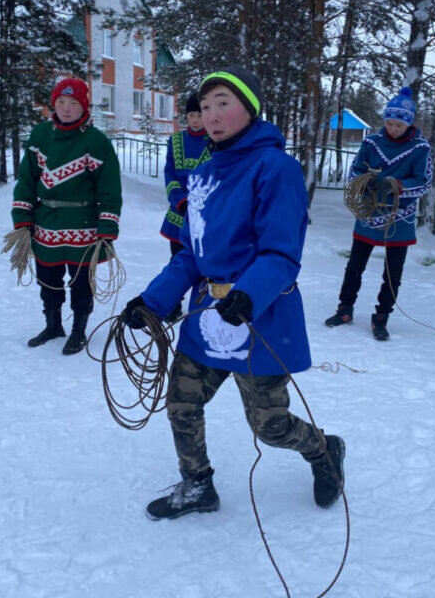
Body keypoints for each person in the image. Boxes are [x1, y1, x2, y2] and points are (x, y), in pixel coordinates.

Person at [122, 65, 345, 520]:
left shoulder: (276, 168)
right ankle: (198, 485)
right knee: (181, 404)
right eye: (206, 107)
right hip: (208, 317)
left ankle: (324, 450)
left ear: (249, 108)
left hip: (259, 316)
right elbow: (190, 253)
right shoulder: (202, 173)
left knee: (270, 426)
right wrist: (154, 300)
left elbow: (282, 254)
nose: (212, 115)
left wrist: (247, 295)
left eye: (223, 103)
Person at [11, 77, 122, 355]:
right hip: (46, 224)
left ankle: (79, 330)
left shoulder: (96, 143)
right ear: (54, 104)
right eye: (61, 101)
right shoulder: (40, 136)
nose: (66, 108)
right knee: (48, 278)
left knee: (81, 281)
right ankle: (53, 325)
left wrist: (107, 226)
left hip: (83, 226)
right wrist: (23, 217)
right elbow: (26, 180)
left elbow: (109, 188)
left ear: (83, 106)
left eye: (73, 103)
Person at [325, 86, 432, 341]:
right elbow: (355, 171)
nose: (393, 128)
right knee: (354, 267)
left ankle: (382, 316)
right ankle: (344, 309)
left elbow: (424, 182)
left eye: (398, 124)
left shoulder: (420, 148)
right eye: (389, 122)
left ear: (408, 122)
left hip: (399, 218)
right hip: (368, 213)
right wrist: (365, 180)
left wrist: (397, 185)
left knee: (392, 273)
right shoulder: (371, 142)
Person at [159, 92, 210, 321]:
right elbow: (169, 173)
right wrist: (179, 199)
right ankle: (173, 301)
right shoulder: (176, 141)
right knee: (177, 261)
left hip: (207, 215)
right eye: (192, 114)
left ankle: (201, 303)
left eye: (200, 114)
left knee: (203, 262)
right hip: (179, 215)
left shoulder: (216, 141)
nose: (196, 119)